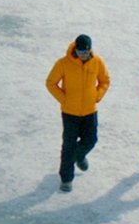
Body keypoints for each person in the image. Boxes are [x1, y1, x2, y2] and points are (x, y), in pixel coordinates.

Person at [45, 34, 110, 192]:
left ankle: (79, 156)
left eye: (86, 52)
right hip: (70, 113)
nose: (84, 55)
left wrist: (97, 96)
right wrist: (64, 99)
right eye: (81, 52)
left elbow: (105, 81)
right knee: (68, 145)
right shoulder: (63, 63)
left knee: (91, 140)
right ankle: (66, 179)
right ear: (76, 49)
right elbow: (50, 83)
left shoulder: (97, 61)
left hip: (89, 111)